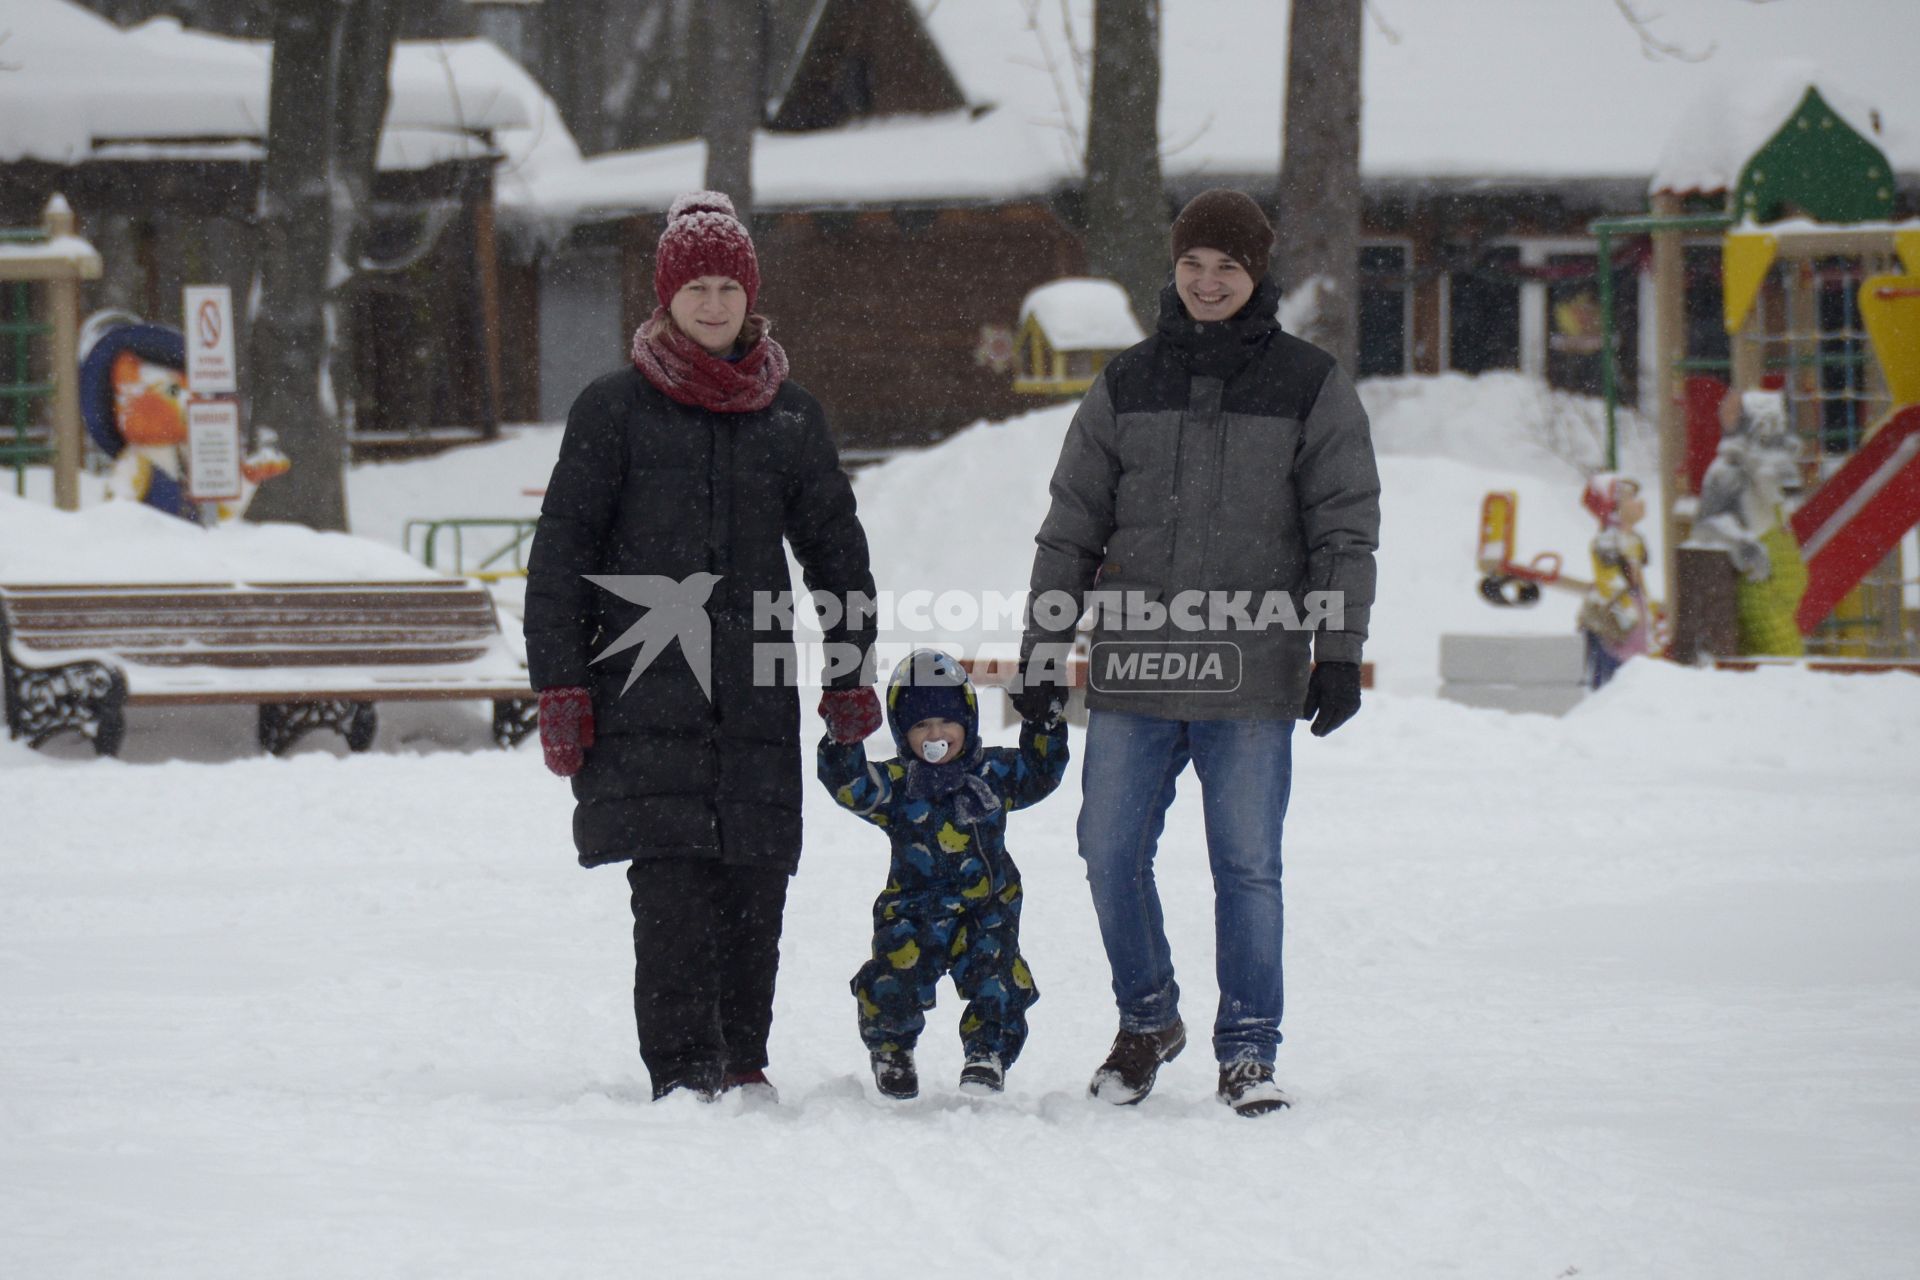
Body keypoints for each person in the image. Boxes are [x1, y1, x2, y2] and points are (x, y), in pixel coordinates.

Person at [1016, 188, 1381, 1117]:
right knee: (1107, 847)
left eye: (1228, 266)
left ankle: (1250, 1050)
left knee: (1247, 864)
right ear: (1172, 271)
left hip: (1253, 672)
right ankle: (1148, 1020)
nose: (1209, 281)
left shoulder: (1309, 384)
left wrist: (1337, 646)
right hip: (1135, 668)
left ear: (1257, 275)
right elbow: (1070, 531)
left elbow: (1343, 527)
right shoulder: (1127, 384)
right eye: (1194, 264)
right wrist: (1042, 646)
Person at [524, 192, 882, 1104]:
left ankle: (742, 1057)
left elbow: (838, 555)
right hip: (646, 688)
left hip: (756, 693)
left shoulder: (790, 417)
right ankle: (683, 1070)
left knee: (756, 880)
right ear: (666, 297)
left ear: (749, 295)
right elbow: (559, 559)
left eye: (728, 286)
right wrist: (560, 689)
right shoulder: (612, 411)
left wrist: (849, 674)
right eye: (697, 288)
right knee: (674, 886)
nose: (714, 304)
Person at [819, 649, 1068, 1101]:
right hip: (914, 909)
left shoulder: (993, 774)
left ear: (967, 721)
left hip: (986, 909)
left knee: (1000, 977)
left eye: (946, 722)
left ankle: (986, 1053)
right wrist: (843, 740)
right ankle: (892, 1049)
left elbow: (1041, 773)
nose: (936, 734)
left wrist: (1043, 723)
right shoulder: (897, 784)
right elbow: (852, 787)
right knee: (896, 972)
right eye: (920, 726)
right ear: (903, 734)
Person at [1577, 473, 1654, 688]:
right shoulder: (1607, 542)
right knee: (1613, 670)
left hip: (1634, 608)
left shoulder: (1634, 539)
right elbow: (1609, 583)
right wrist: (1627, 615)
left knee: (1635, 664)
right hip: (1614, 614)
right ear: (1612, 505)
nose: (1639, 503)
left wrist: (1649, 608)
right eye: (1630, 498)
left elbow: (1639, 579)